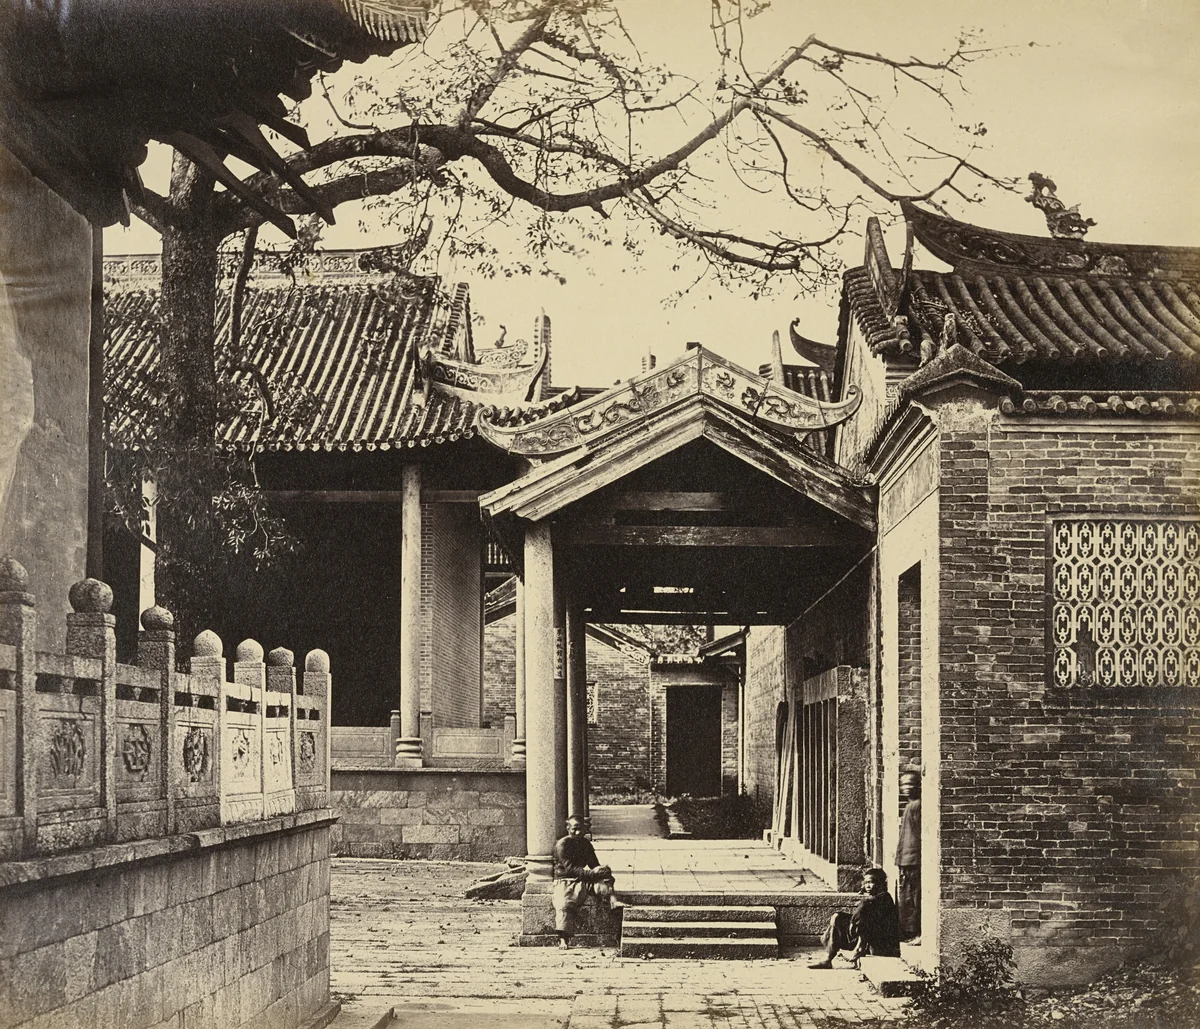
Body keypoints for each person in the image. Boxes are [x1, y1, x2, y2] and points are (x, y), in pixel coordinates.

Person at [552, 815, 624, 949]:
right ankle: (563, 939)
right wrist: (593, 873)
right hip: (566, 880)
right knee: (563, 904)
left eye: (581, 830)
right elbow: (571, 869)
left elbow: (593, 864)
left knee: (605, 881)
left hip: (584, 879)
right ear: (568, 828)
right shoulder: (562, 845)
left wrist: (601, 870)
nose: (578, 833)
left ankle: (613, 901)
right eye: (574, 829)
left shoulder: (586, 844)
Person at [808, 867, 901, 968]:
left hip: (880, 943)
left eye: (871, 882)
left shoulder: (885, 898)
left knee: (865, 908)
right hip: (868, 939)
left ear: (881, 883)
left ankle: (859, 948)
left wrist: (853, 922)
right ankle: (828, 959)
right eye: (865, 883)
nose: (867, 886)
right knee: (837, 917)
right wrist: (853, 922)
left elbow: (866, 913)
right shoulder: (874, 898)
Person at [896, 769, 922, 942]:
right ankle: (911, 932)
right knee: (907, 899)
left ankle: (919, 933)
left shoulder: (917, 806)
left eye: (911, 784)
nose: (906, 788)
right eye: (904, 784)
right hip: (906, 859)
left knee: (915, 898)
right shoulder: (910, 806)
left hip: (913, 859)